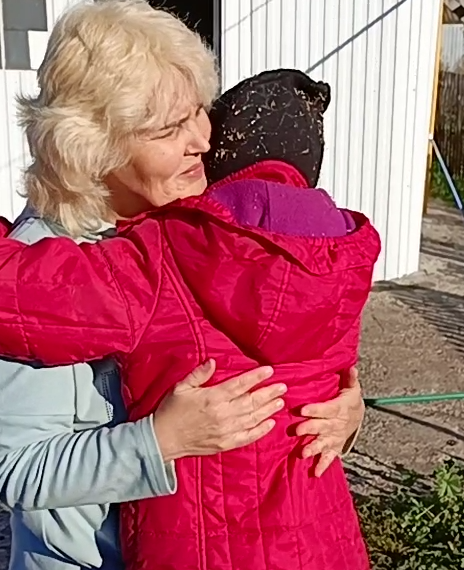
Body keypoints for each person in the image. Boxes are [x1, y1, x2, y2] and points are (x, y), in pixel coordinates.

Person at [0, 2, 365, 569]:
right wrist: (160, 441)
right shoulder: (42, 271)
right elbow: (17, 471)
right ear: (93, 145)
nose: (203, 139)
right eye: (169, 129)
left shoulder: (194, 224)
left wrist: (339, 410)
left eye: (200, 111)